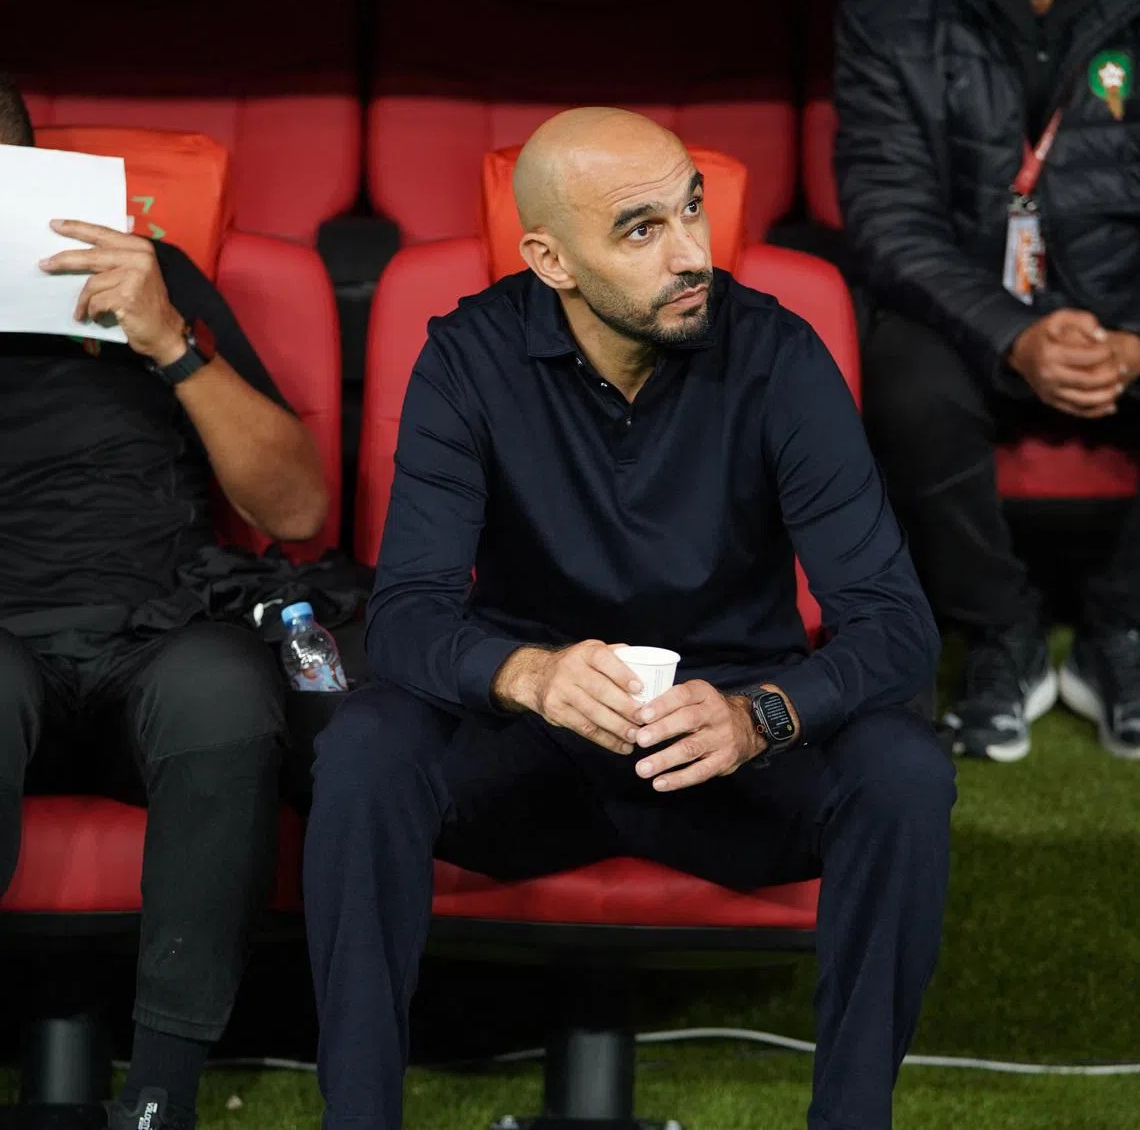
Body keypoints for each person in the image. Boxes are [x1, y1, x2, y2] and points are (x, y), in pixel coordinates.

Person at [304, 107, 955, 1130]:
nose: (694, 252)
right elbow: (408, 618)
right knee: (366, 748)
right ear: (550, 260)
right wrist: (529, 675)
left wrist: (763, 717)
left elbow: (895, 625)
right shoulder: (468, 358)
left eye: (692, 209)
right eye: (643, 229)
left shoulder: (779, 356)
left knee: (905, 769)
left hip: (731, 755)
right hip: (532, 750)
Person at [0, 74, 329, 1130]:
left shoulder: (158, 281)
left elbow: (301, 507)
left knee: (224, 692)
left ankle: (161, 1099)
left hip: (159, 623)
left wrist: (169, 340)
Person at [834, 0, 1140, 761]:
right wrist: (1015, 335)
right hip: (965, 309)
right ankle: (1000, 633)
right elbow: (888, 215)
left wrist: (1136, 342)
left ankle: (1123, 629)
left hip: (1125, 306)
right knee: (903, 378)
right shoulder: (887, 11)